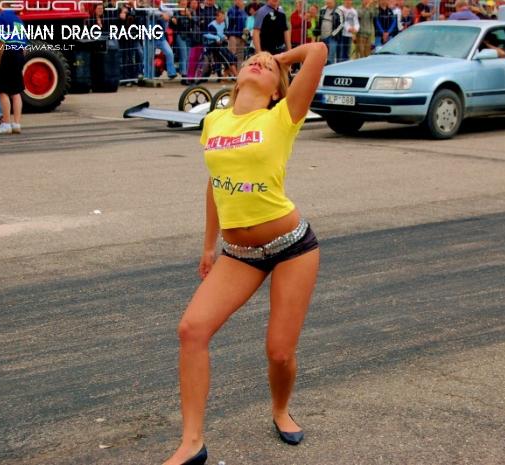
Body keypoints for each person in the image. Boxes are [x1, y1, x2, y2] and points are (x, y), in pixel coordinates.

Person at [161, 40, 327, 465]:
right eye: (252, 60)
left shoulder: (282, 116)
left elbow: (319, 51)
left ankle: (280, 409)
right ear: (236, 79)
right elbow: (216, 184)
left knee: (279, 352)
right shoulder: (214, 121)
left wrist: (279, 58)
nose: (258, 63)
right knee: (191, 330)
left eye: (267, 67)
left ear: (277, 90)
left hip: (292, 248)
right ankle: (192, 442)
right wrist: (208, 245)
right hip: (238, 253)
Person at [0, 5, 27, 135]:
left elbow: (1, 42)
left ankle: (5, 124)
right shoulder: (18, 20)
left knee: (3, 90)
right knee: (16, 91)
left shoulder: (0, 18)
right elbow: (24, 45)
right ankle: (16, 124)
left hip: (7, 54)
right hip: (19, 54)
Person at [203, 9, 239, 76]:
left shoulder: (223, 24)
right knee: (228, 58)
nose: (223, 18)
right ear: (216, 17)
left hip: (221, 44)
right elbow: (205, 34)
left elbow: (221, 34)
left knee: (233, 57)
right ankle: (236, 75)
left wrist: (224, 36)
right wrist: (216, 37)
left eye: (223, 16)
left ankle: (226, 75)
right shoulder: (212, 25)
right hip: (213, 46)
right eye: (221, 16)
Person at [172, 0, 193, 84]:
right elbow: (173, 25)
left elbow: (193, 24)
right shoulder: (175, 13)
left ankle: (187, 74)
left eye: (185, 2)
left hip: (188, 36)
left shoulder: (189, 12)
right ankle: (184, 75)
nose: (184, 4)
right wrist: (174, 21)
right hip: (180, 35)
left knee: (188, 56)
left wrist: (190, 16)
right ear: (179, 3)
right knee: (183, 55)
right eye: (182, 2)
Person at [227, 0, 248, 67]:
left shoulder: (244, 11)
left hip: (242, 36)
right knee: (232, 55)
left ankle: (239, 71)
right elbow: (231, 21)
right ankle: (231, 72)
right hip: (233, 35)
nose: (242, 3)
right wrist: (239, 10)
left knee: (240, 55)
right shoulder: (231, 10)